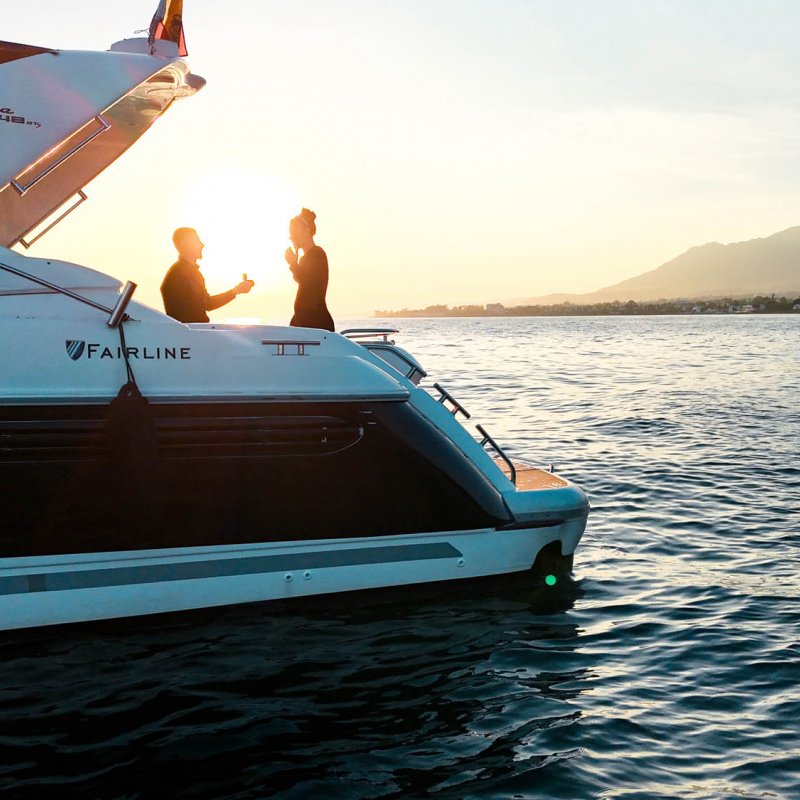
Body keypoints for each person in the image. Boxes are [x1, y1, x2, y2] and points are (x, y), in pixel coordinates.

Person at [160, 227, 254, 323]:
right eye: (197, 241)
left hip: (193, 333)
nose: (202, 245)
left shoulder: (188, 272)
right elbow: (207, 305)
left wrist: (236, 291)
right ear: (186, 245)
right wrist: (235, 291)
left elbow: (207, 303)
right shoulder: (180, 274)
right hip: (192, 335)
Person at [284, 208, 335, 332]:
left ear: (305, 230)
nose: (291, 237)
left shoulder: (317, 254)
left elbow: (308, 283)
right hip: (305, 324)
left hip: (317, 324)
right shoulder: (304, 258)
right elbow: (302, 284)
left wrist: (293, 264)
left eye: (293, 232)